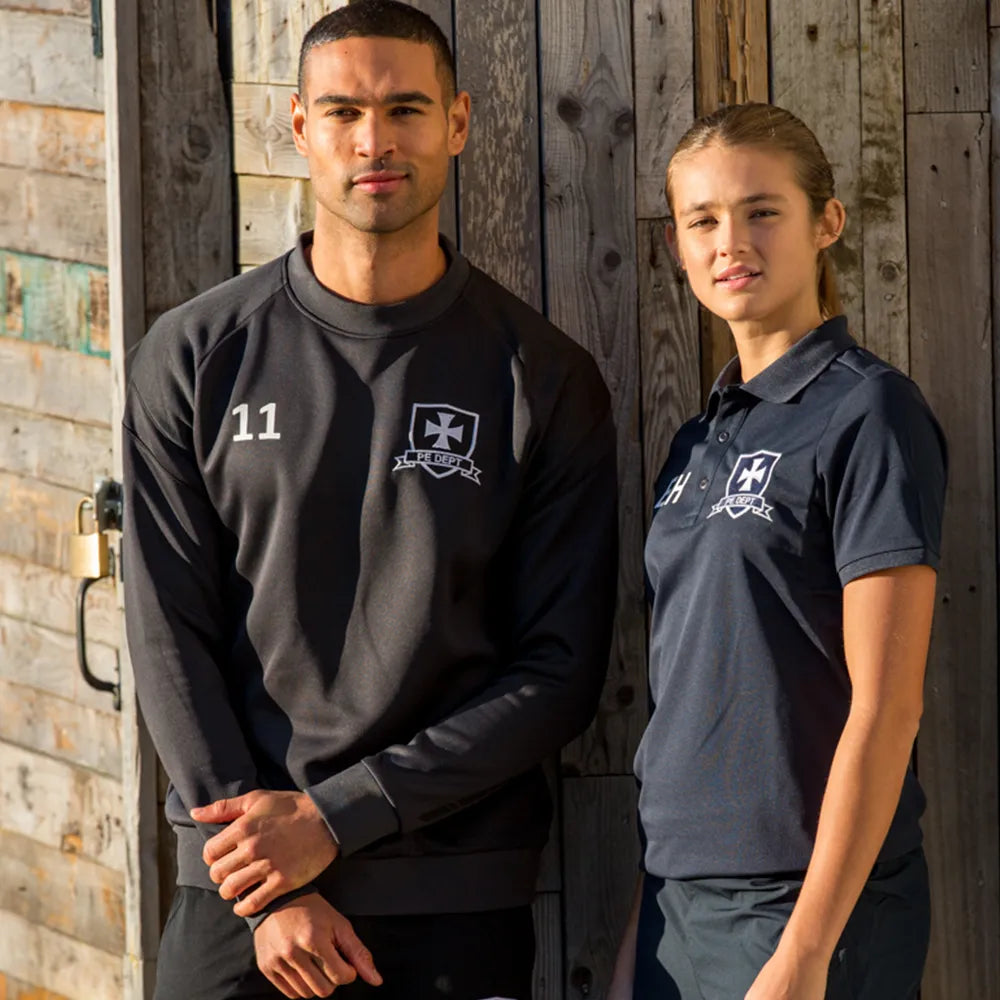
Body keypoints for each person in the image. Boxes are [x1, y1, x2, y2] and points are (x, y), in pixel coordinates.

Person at [122, 3, 617, 998]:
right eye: (343, 110)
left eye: (405, 109)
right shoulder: (194, 355)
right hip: (240, 886)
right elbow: (167, 631)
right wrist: (268, 883)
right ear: (299, 126)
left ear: (459, 123)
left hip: (451, 888)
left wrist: (340, 815)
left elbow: (559, 671)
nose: (374, 140)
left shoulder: (542, 377)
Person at [609, 102, 946, 1000]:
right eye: (703, 220)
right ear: (679, 247)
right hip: (680, 904)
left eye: (763, 211)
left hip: (805, 905)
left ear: (825, 222)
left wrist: (801, 956)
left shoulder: (868, 413)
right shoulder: (695, 446)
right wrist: (642, 936)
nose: (732, 241)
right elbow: (694, 700)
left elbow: (887, 708)